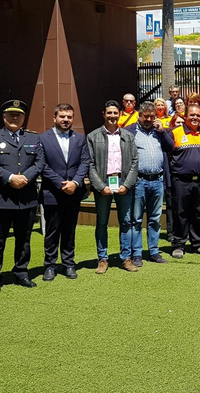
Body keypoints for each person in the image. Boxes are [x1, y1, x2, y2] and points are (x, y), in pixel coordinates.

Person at [0, 100, 43, 292]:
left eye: (19, 115)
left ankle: (21, 273)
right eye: (11, 114)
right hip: (0, 197)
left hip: (26, 197)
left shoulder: (34, 137)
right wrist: (10, 178)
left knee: (24, 239)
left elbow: (40, 163)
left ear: (24, 117)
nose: (15, 118)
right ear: (4, 117)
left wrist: (25, 178)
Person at [86, 101, 139, 272]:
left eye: (115, 113)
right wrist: (101, 186)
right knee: (102, 222)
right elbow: (90, 164)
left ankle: (126, 258)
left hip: (123, 184)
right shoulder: (93, 137)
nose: (112, 116)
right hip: (103, 185)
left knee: (126, 222)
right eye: (109, 113)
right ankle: (102, 258)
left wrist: (127, 184)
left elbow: (134, 162)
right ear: (104, 114)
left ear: (120, 114)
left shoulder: (128, 137)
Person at [39, 103, 90, 280]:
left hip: (74, 192)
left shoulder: (80, 138)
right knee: (52, 231)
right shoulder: (43, 138)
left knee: (69, 229)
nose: (66, 120)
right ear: (54, 118)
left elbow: (85, 162)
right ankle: (50, 265)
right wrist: (61, 183)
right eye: (62, 116)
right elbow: (42, 165)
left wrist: (75, 182)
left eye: (69, 117)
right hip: (53, 192)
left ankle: (68, 264)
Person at [129, 102, 172, 265]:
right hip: (139, 181)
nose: (148, 119)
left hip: (158, 180)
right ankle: (137, 253)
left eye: (151, 116)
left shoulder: (159, 131)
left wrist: (162, 132)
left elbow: (171, 147)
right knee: (137, 219)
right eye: (145, 116)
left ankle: (154, 251)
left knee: (154, 218)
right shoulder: (130, 132)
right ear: (139, 115)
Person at [168, 104, 200, 258]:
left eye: (198, 116)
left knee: (199, 212)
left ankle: (198, 243)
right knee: (180, 212)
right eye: (192, 115)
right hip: (181, 180)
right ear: (185, 116)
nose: (195, 118)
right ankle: (179, 244)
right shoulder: (175, 133)